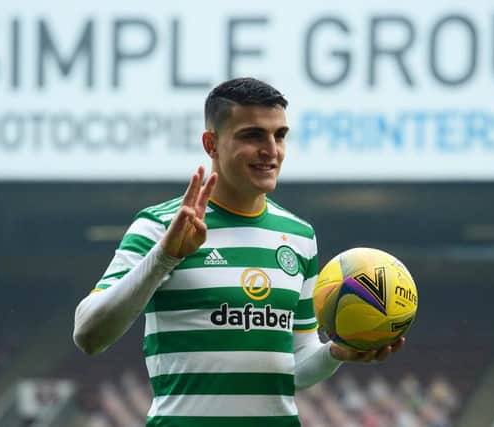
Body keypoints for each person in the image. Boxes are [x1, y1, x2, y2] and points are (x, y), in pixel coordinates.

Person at [73, 77, 405, 427]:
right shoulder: (160, 227)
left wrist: (334, 353)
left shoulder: (299, 236)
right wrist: (164, 256)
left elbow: (292, 369)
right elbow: (88, 335)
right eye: (252, 135)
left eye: (279, 135)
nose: (271, 150)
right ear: (211, 143)